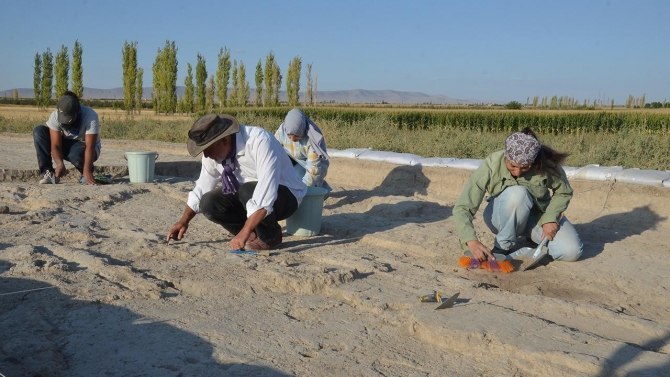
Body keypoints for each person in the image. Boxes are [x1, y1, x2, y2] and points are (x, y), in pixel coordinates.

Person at [167, 114, 307, 251]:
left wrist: (244, 231)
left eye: (209, 149)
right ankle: (251, 234)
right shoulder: (213, 154)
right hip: (247, 196)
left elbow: (266, 192)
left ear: (225, 140)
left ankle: (270, 236)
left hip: (286, 196)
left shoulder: (260, 141)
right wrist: (183, 221)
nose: (206, 155)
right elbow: (202, 187)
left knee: (247, 190)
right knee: (208, 202)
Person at [453, 127, 583, 264]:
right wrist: (471, 241)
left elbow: (564, 192)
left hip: (536, 217)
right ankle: (501, 248)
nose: (517, 173)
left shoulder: (547, 165)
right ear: (506, 156)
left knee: (571, 252)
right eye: (512, 166)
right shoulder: (492, 164)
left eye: (525, 167)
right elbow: (463, 207)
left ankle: (531, 236)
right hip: (499, 217)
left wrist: (550, 218)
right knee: (518, 193)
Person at [33, 91, 102, 185]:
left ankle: (88, 172)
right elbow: (56, 145)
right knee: (39, 131)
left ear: (77, 112)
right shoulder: (54, 116)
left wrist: (87, 171)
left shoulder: (90, 116)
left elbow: (90, 146)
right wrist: (60, 164)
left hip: (85, 147)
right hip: (65, 145)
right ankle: (48, 173)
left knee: (76, 155)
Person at [275, 108, 331, 191]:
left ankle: (318, 189)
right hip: (293, 158)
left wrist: (300, 191)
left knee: (298, 181)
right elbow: (274, 149)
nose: (293, 139)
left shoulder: (312, 140)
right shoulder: (282, 130)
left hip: (309, 166)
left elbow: (313, 170)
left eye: (297, 136)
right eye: (289, 136)